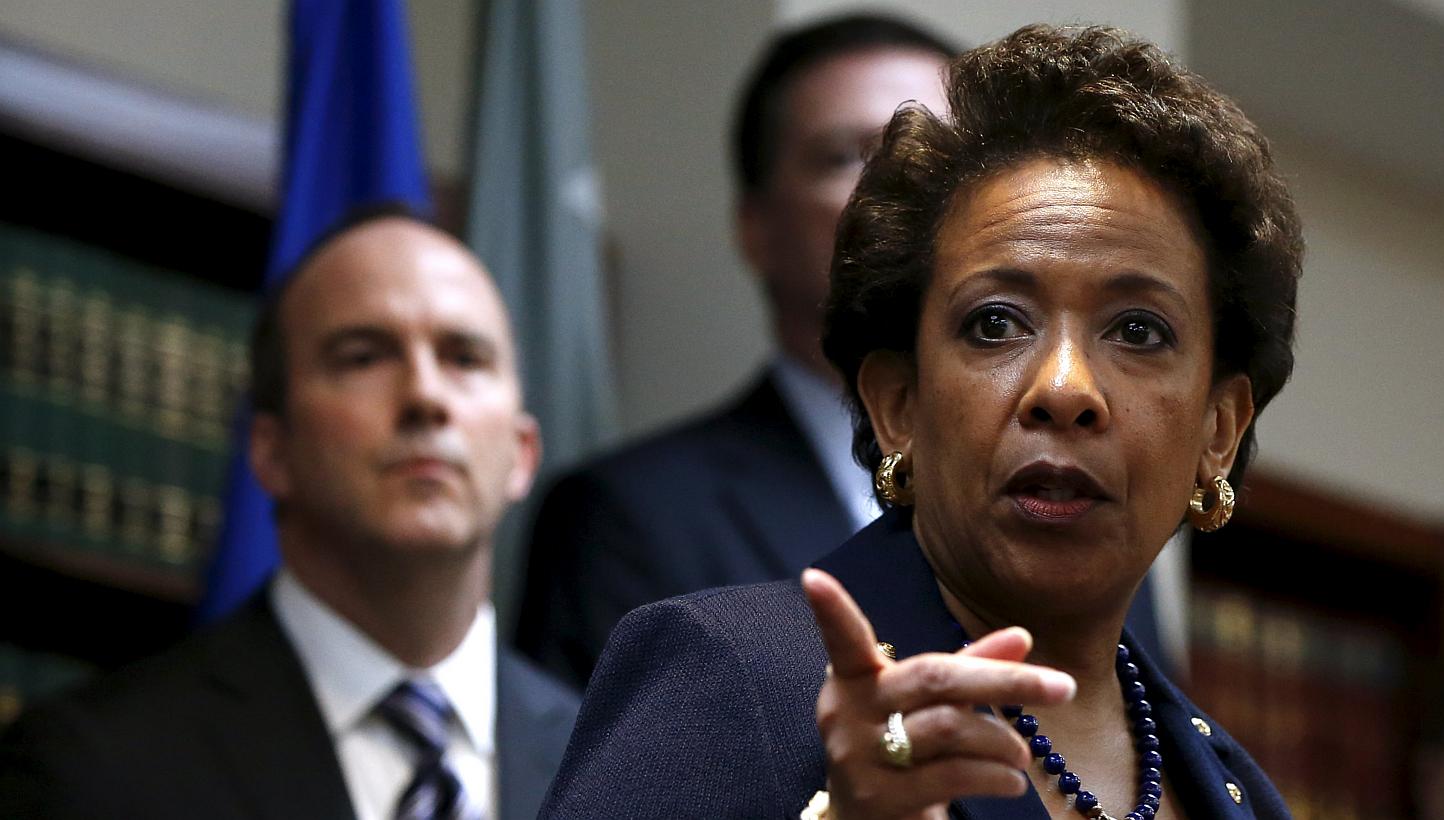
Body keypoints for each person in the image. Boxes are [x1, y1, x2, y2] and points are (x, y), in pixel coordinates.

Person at [541, 24, 1300, 820]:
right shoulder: (734, 675)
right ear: (897, 405)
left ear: (1219, 429)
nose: (1066, 388)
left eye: (1139, 331)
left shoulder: (1234, 787)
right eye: (997, 324)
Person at [516, 13, 1177, 690]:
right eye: (848, 156)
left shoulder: (1083, 499)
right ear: (756, 228)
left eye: (944, 157)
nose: (906, 192)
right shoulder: (632, 516)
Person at [0, 213, 579, 820]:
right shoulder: (89, 770)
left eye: (464, 357)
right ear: (272, 451)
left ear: (523, 453)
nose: (426, 397)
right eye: (363, 357)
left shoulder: (626, 768)